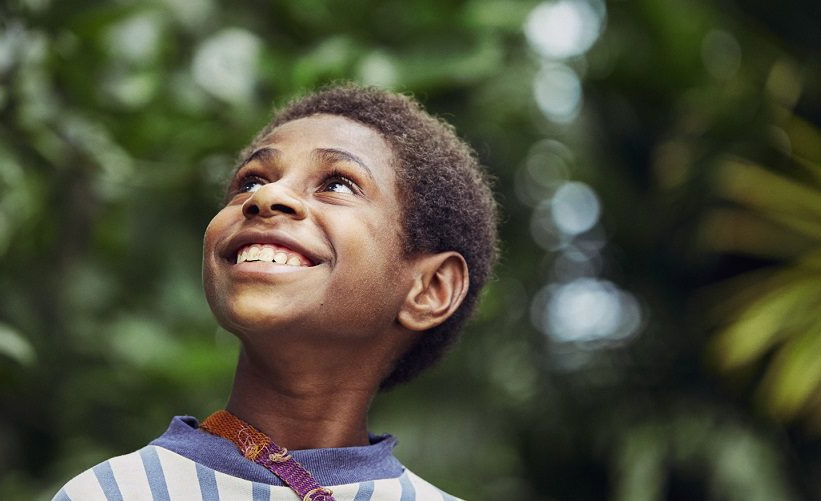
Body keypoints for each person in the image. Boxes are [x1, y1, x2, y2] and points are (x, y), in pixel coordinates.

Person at [53, 84, 498, 501]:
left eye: (337, 184)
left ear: (430, 289)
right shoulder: (116, 492)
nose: (267, 196)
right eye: (250, 181)